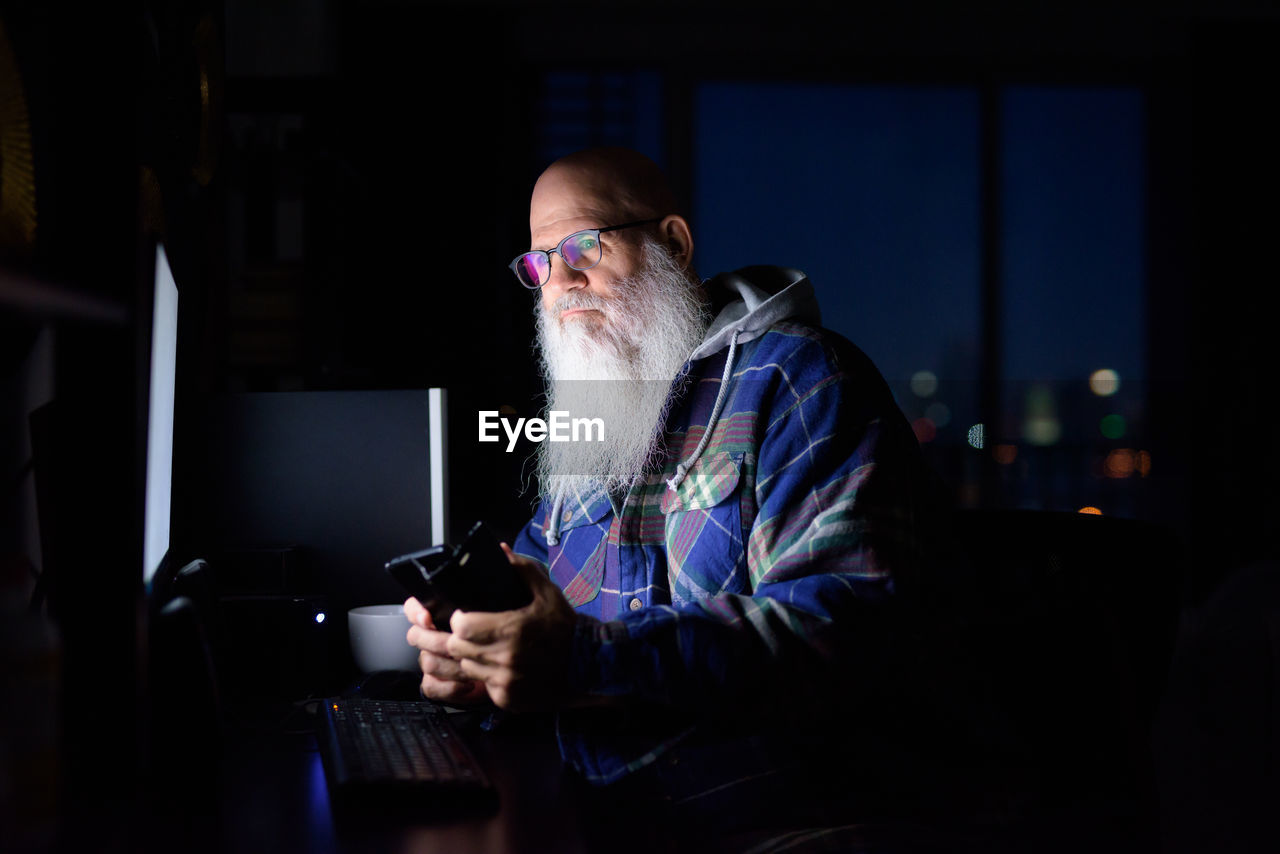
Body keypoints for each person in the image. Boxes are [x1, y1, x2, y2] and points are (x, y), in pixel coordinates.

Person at [404, 147, 953, 832]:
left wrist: (581, 658)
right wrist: (480, 658)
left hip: (768, 822)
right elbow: (538, 593)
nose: (561, 280)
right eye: (541, 262)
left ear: (673, 243)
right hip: (589, 812)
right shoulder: (596, 413)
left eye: (582, 246)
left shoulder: (800, 380)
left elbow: (841, 630)